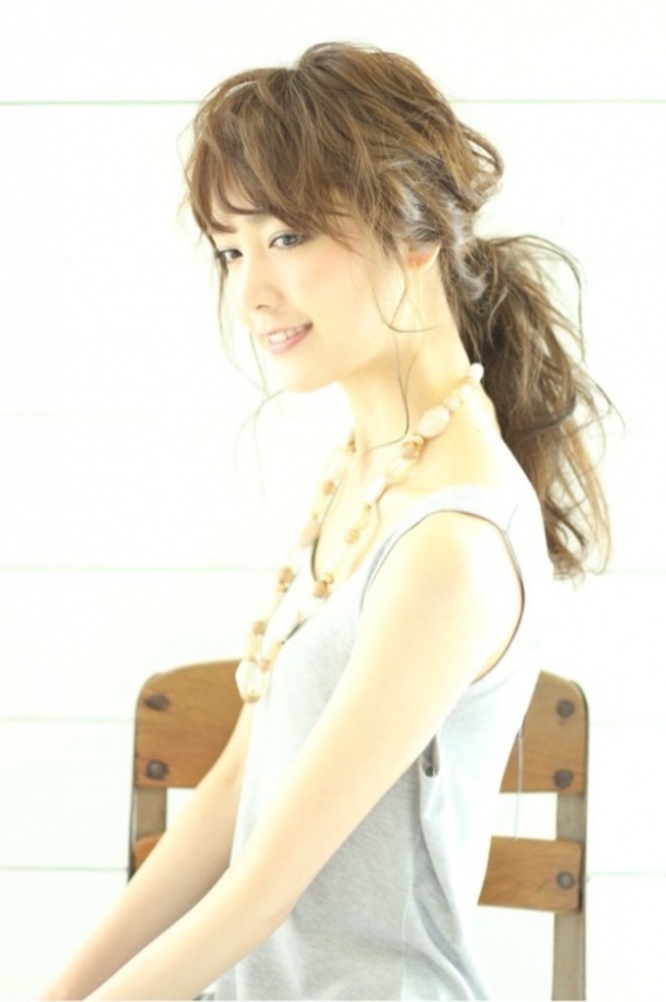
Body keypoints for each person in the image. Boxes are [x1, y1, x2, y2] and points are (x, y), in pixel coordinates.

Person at [40, 41, 610, 1001]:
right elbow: (234, 791)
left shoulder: (450, 545)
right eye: (231, 249)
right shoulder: (371, 469)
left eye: (290, 236)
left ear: (416, 229)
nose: (252, 292)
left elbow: (264, 890)